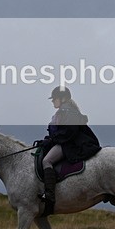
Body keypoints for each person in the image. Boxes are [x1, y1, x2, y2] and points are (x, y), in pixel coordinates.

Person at [37, 86, 101, 216]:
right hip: (65, 141)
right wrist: (47, 140)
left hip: (71, 144)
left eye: (54, 98)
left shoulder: (69, 112)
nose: (52, 101)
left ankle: (50, 195)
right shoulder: (61, 113)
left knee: (46, 161)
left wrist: (51, 140)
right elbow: (59, 133)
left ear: (63, 98)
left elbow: (68, 133)